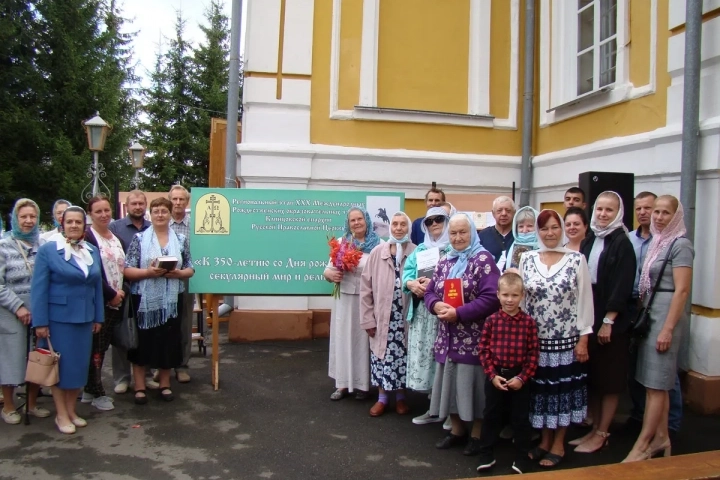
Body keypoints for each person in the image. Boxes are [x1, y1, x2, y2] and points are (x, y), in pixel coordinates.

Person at [519, 209, 593, 468]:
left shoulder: (576, 259)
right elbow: (522, 300)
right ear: (537, 232)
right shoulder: (527, 259)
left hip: (566, 341)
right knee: (541, 393)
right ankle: (544, 440)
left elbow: (585, 300)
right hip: (535, 342)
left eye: (554, 228)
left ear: (561, 229)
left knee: (561, 393)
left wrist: (584, 338)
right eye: (544, 228)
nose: (549, 233)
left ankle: (559, 443)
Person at [623, 195, 694, 462]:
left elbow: (682, 289)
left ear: (676, 216)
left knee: (657, 385)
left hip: (666, 314)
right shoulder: (658, 242)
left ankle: (643, 444)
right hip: (652, 313)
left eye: (665, 213)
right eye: (657, 213)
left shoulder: (681, 245)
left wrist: (667, 329)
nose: (659, 217)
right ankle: (662, 437)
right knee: (654, 382)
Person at [425, 213, 500, 457]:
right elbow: (430, 292)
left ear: (472, 233)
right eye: (453, 233)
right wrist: (435, 305)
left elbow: (491, 299)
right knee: (451, 385)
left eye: (462, 232)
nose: (457, 238)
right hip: (447, 338)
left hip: (474, 339)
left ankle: (477, 434)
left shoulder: (483, 260)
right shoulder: (446, 260)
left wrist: (459, 313)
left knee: (473, 388)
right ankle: (457, 430)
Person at [31, 206, 104, 434]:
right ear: (62, 224)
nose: (74, 225)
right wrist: (40, 322)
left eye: (78, 222)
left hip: (84, 319)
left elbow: (97, 286)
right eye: (69, 222)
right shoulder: (48, 250)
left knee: (77, 369)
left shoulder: (91, 250)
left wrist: (98, 316)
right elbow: (39, 289)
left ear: (84, 225)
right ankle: (61, 414)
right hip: (58, 320)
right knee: (59, 369)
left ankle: (72, 410)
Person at [573, 191, 636, 454]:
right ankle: (593, 427)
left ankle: (602, 432)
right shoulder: (591, 239)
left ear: (618, 213)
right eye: (599, 209)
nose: (602, 214)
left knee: (609, 380)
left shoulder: (622, 242)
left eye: (609, 210)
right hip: (591, 311)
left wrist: (609, 320)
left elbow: (622, 285)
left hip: (611, 319)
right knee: (595, 376)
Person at [123, 197, 195, 405]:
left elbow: (191, 267)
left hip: (172, 299)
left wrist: (180, 273)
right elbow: (127, 270)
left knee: (168, 342)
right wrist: (148, 272)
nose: (160, 215)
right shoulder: (139, 239)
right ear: (150, 214)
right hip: (144, 300)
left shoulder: (180, 240)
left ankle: (164, 384)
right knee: (142, 343)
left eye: (164, 211)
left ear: (170, 214)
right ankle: (139, 388)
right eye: (156, 211)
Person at [475, 272, 539, 475]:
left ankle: (522, 457)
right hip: (496, 377)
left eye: (514, 295)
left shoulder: (528, 323)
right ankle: (486, 453)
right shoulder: (492, 321)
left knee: (520, 419)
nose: (509, 300)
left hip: (519, 378)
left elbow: (533, 353)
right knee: (491, 415)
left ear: (522, 296)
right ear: (498, 295)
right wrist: (492, 375)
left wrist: (522, 377)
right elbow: (483, 350)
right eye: (505, 295)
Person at [360, 212, 416, 417]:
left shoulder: (416, 252)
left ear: (408, 228)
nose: (399, 228)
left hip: (405, 319)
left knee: (401, 357)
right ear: (390, 226)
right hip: (382, 317)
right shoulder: (377, 252)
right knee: (381, 357)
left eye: (403, 224)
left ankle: (401, 398)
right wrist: (367, 318)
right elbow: (365, 289)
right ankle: (382, 398)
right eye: (395, 224)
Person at [0, 199, 50, 424]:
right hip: (11, 309)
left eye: (32, 217)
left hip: (38, 307)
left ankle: (31, 404)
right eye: (24, 217)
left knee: (36, 356)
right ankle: (9, 406)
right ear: (15, 218)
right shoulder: (4, 245)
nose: (28, 221)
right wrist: (18, 306)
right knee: (10, 357)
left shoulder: (43, 245)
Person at [325, 208, 380, 401]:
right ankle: (341, 384)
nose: (356, 223)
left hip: (367, 301)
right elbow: (327, 270)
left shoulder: (378, 245)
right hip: (344, 300)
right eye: (352, 220)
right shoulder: (342, 243)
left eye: (360, 219)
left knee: (362, 341)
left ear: (367, 220)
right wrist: (330, 275)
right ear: (347, 223)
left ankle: (362, 385)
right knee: (342, 339)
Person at [403, 206, 450, 425]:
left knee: (445, 359)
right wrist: (411, 283)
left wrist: (436, 285)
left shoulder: (454, 248)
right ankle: (433, 408)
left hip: (444, 313)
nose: (434, 224)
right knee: (427, 356)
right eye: (429, 221)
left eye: (439, 219)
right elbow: (406, 274)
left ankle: (451, 412)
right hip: (423, 313)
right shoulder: (421, 249)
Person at [108, 191, 157, 393]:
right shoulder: (116, 227)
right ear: (127, 206)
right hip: (123, 288)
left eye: (141, 203)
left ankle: (146, 375)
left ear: (145, 205)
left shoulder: (152, 227)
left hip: (147, 288)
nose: (138, 207)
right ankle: (122, 377)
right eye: (134, 203)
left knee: (145, 334)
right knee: (121, 334)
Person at [81, 196, 126, 412]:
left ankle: (89, 390)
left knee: (101, 345)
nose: (104, 214)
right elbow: (91, 273)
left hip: (115, 302)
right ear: (90, 214)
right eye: (98, 211)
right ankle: (97, 391)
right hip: (99, 301)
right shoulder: (88, 237)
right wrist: (110, 294)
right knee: (96, 348)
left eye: (107, 210)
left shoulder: (115, 237)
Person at [168, 185, 193, 384]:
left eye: (181, 200)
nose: (177, 203)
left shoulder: (193, 224)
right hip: (161, 279)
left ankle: (182, 366)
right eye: (174, 199)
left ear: (187, 202)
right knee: (164, 324)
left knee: (184, 323)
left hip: (184, 278)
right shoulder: (161, 222)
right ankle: (162, 366)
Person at [478, 196, 516, 266]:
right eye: (499, 210)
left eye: (508, 211)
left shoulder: (519, 235)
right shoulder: (483, 235)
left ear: (514, 213)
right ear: (493, 213)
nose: (504, 214)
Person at [503, 206, 538, 272]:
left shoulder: (543, 247)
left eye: (530, 226)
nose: (525, 230)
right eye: (521, 226)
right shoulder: (510, 245)